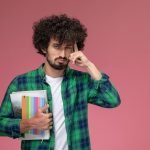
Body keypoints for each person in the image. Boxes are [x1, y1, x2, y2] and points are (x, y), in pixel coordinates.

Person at [0, 14, 121, 150]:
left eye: (68, 47)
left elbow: (113, 100)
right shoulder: (22, 83)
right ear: (44, 47)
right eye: (57, 46)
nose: (63, 54)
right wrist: (28, 124)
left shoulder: (81, 82)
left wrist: (89, 65)